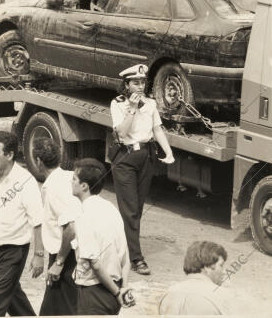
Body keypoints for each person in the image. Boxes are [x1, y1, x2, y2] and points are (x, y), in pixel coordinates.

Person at [110, 64, 175, 275]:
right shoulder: (117, 104)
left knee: (136, 208)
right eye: (135, 82)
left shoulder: (151, 104)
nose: (139, 86)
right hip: (125, 157)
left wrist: (168, 152)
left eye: (142, 82)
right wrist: (131, 108)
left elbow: (157, 129)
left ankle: (121, 246)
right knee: (129, 210)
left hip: (146, 156)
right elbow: (121, 132)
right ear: (126, 85)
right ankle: (136, 259)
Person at [0, 131, 44, 317]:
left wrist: (38, 255)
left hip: (13, 251)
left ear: (10, 155)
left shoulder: (25, 181)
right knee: (11, 296)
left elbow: (38, 221)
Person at [71, 158, 134, 315]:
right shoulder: (111, 208)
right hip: (116, 287)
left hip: (95, 293)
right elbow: (126, 257)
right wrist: (123, 288)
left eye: (74, 179)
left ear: (84, 186)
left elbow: (96, 264)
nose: (70, 182)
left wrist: (117, 293)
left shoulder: (84, 216)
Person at [33, 137, 82, 316]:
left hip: (67, 256)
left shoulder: (53, 188)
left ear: (38, 162)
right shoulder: (69, 177)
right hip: (71, 252)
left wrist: (59, 262)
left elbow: (71, 227)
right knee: (53, 307)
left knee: (65, 308)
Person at [159, 241, 232, 315]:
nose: (224, 272)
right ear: (207, 267)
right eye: (221, 265)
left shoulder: (169, 293)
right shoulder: (220, 297)